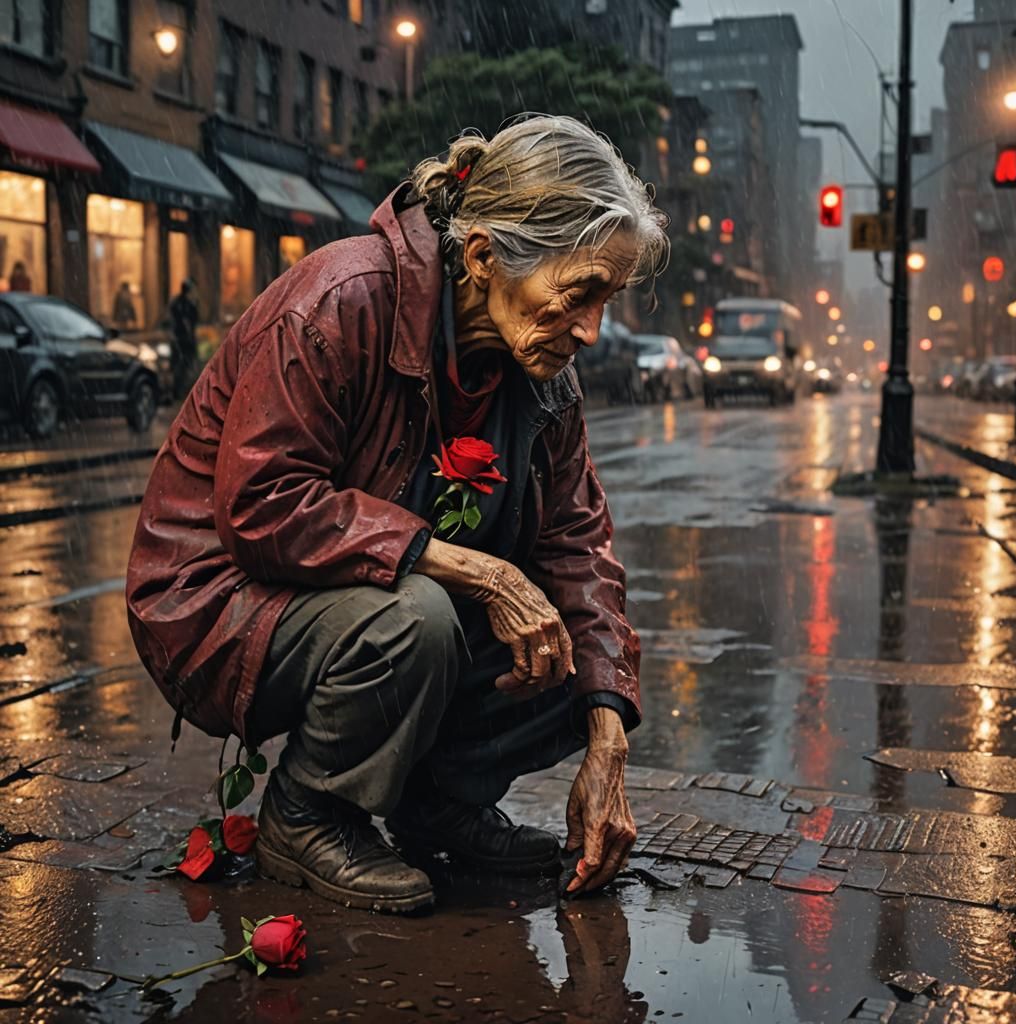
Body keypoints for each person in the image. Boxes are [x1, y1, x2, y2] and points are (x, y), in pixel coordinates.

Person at [126, 115, 668, 914]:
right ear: (483, 256)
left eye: (608, 301)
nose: (591, 330)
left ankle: (435, 805)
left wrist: (608, 734)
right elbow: (261, 505)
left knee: (575, 657)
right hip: (213, 600)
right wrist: (476, 570)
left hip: (356, 600)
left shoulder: (545, 377)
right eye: (579, 292)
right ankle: (309, 812)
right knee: (418, 619)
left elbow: (578, 547)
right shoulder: (342, 300)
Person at [169, 278, 199, 398]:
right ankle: (182, 391)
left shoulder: (177, 303)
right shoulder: (187, 304)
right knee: (185, 365)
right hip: (184, 340)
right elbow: (192, 321)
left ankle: (179, 391)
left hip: (180, 339)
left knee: (181, 366)